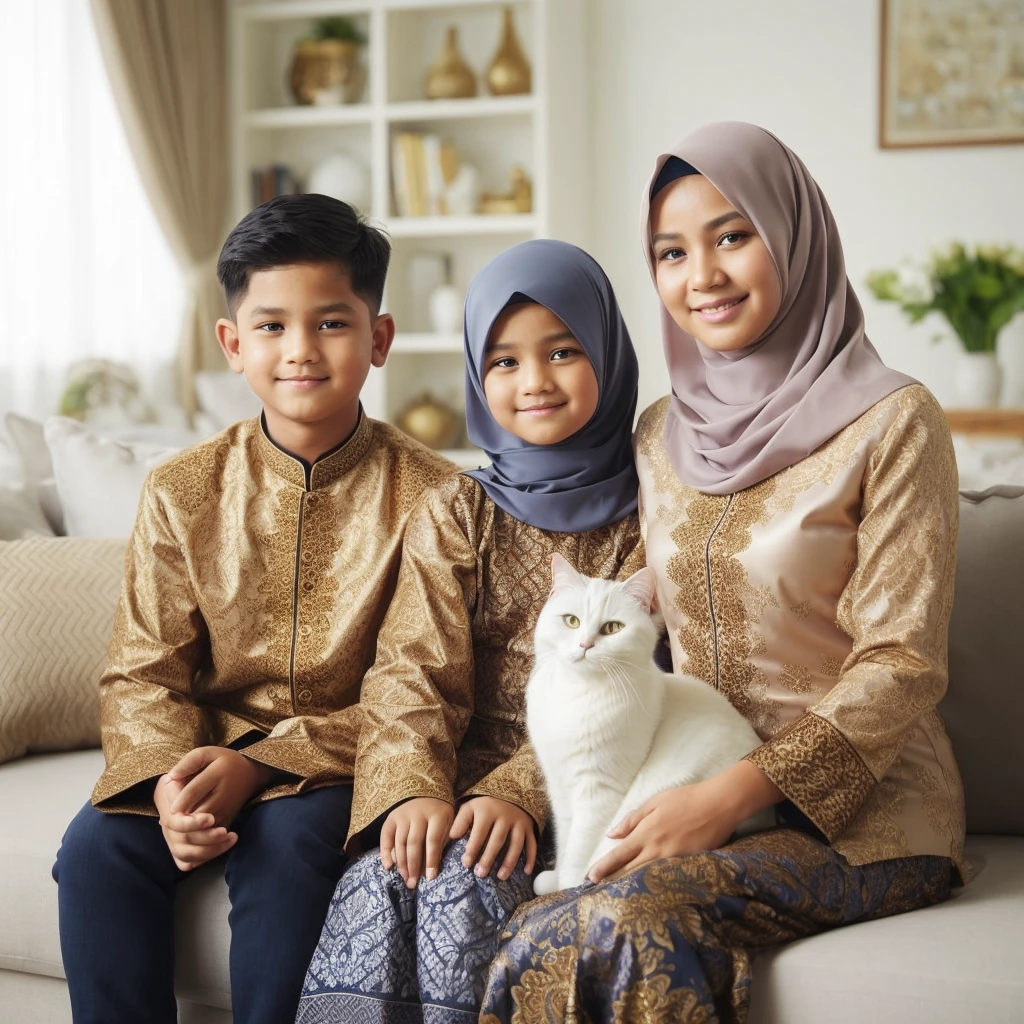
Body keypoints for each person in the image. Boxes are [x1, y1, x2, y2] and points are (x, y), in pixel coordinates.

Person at [479, 121, 967, 1024]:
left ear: (794, 234)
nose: (700, 276)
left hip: (867, 819)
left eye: (733, 235)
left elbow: (903, 663)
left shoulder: (896, 422)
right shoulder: (662, 434)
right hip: (687, 779)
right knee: (540, 915)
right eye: (671, 251)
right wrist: (507, 790)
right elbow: (611, 612)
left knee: (625, 915)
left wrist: (724, 799)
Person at [52, 193, 455, 1024]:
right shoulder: (180, 488)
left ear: (378, 338)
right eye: (271, 326)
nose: (300, 350)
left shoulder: (436, 497)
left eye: (332, 324)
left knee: (291, 849)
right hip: (196, 754)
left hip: (334, 768)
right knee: (94, 849)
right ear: (233, 344)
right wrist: (168, 783)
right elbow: (141, 669)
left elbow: (414, 690)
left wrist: (264, 766)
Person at [296, 239, 646, 1024]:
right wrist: (412, 791)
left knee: (468, 885)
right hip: (451, 790)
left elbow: (646, 684)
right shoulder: (458, 509)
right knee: (377, 884)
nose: (535, 382)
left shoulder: (656, 514)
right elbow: (411, 671)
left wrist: (519, 792)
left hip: (582, 787)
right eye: (505, 362)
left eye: (563, 351)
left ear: (608, 352)